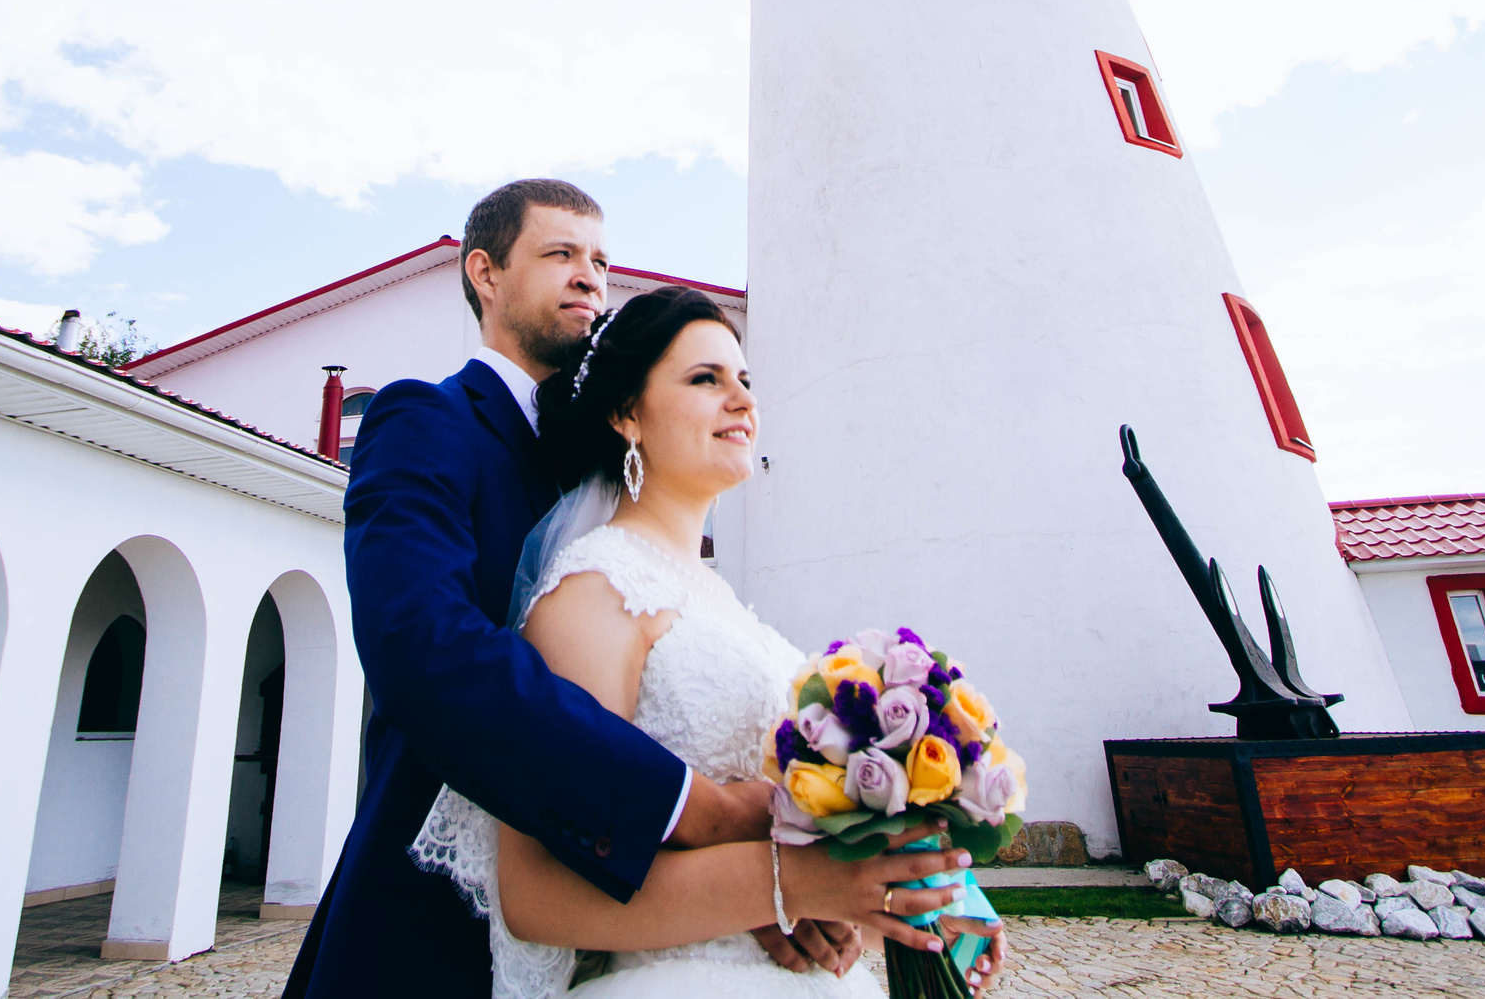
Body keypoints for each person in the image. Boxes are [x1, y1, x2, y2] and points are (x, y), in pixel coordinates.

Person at [283, 183, 938, 996]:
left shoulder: (640, 508)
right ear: (483, 273)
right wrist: (692, 809)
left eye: (600, 259)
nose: (591, 276)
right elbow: (423, 649)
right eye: (560, 254)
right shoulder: (429, 421)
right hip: (435, 913)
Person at [411, 284, 1008, 996]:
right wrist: (791, 885)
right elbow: (538, 895)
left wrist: (906, 899)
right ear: (627, 412)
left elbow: (801, 865)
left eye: (747, 381)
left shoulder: (724, 603)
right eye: (706, 378)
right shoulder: (593, 590)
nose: (743, 400)